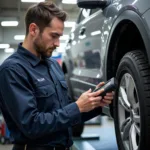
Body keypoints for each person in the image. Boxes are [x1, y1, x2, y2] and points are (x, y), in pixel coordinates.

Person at [0, 1, 114, 150]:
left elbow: (67, 115)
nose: (58, 43)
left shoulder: (53, 66)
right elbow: (31, 125)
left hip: (67, 145)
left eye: (60, 36)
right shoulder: (12, 70)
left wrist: (95, 104)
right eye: (54, 36)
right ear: (33, 29)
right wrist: (77, 107)